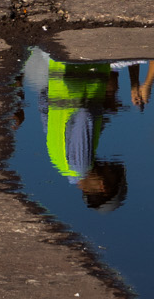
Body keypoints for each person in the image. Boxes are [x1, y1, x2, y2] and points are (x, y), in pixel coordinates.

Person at [43, 59, 128, 212]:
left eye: (113, 173)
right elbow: (43, 102)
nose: (108, 165)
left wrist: (103, 105)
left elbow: (84, 114)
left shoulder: (81, 166)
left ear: (105, 186)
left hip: (86, 64)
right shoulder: (59, 163)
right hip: (60, 65)